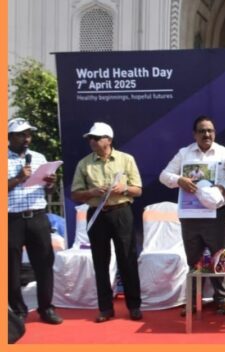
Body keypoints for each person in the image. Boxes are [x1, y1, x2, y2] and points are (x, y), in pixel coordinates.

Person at [159, 116, 225, 317]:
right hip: (190, 215)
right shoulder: (184, 154)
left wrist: (224, 188)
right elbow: (164, 176)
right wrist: (179, 180)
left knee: (219, 258)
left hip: (216, 215)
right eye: (202, 131)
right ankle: (192, 301)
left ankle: (222, 301)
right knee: (193, 260)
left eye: (210, 130)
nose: (206, 134)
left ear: (215, 133)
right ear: (195, 134)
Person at [71, 122, 143, 322]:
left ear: (108, 140)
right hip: (97, 214)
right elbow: (75, 194)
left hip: (121, 212)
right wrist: (90, 193)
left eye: (96, 138)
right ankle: (105, 308)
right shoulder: (84, 164)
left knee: (127, 259)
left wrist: (124, 189)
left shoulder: (126, 160)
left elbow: (138, 189)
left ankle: (134, 306)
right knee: (100, 262)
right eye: (90, 139)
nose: (92, 141)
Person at [7, 118, 62, 325]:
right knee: (11, 267)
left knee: (45, 263)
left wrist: (51, 184)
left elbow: (47, 190)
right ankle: (19, 310)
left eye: (29, 134)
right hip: (12, 218)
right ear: (10, 137)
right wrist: (18, 178)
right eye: (22, 135)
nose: (27, 139)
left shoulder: (38, 157)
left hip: (38, 216)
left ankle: (46, 308)